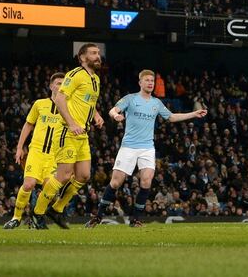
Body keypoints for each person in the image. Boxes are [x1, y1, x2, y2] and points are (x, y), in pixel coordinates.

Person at [86, 70, 207, 228]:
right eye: (147, 80)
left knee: (146, 181)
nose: (150, 83)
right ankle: (98, 216)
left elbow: (171, 117)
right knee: (116, 183)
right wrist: (116, 116)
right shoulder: (130, 98)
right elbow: (113, 110)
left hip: (147, 148)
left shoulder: (156, 103)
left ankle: (135, 219)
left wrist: (193, 114)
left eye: (152, 81)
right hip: (128, 147)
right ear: (140, 83)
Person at [31, 44, 104, 229]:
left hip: (83, 134)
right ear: (82, 58)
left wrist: (96, 114)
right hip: (67, 131)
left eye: (98, 53)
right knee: (63, 176)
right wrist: (71, 123)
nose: (98, 56)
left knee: (84, 175)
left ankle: (56, 209)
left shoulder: (95, 78)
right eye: (93, 53)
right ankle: (37, 213)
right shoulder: (74, 75)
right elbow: (61, 99)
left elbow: (87, 102)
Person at [3, 72, 65, 229]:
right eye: (57, 83)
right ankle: (16, 217)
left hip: (53, 155)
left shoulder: (68, 107)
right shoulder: (40, 104)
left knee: (50, 190)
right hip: (36, 152)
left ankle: (38, 217)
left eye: (63, 83)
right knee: (29, 184)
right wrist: (19, 148)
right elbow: (28, 124)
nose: (60, 86)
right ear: (51, 86)